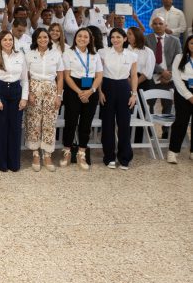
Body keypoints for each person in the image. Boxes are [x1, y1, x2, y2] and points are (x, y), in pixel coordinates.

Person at [61, 28, 103, 170]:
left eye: (86, 36)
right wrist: (80, 92)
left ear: (90, 39)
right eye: (80, 36)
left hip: (91, 88)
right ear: (75, 38)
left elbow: (99, 76)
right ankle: (67, 151)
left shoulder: (95, 54)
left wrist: (90, 91)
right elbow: (66, 76)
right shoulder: (68, 53)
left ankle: (81, 153)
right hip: (74, 88)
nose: (82, 39)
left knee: (86, 123)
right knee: (71, 121)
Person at [0, 30, 28, 172]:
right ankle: (0, 162)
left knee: (15, 129)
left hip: (16, 92)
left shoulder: (20, 55)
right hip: (0, 91)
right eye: (5, 40)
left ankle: (14, 162)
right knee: (0, 129)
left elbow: (25, 79)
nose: (8, 42)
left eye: (10, 39)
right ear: (0, 42)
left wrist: (24, 98)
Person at [98, 28, 138, 170]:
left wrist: (134, 94)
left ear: (124, 39)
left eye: (118, 37)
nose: (115, 39)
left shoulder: (132, 55)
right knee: (108, 125)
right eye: (113, 37)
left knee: (124, 124)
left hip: (123, 88)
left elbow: (133, 76)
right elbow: (99, 74)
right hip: (107, 86)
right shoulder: (103, 53)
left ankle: (125, 157)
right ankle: (109, 157)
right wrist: (100, 91)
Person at [24, 28, 63, 172]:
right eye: (39, 37)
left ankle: (47, 154)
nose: (43, 40)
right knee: (33, 121)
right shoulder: (29, 55)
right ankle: (35, 153)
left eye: (45, 37)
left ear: (49, 39)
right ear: (35, 39)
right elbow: (26, 76)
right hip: (34, 88)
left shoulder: (56, 54)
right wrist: (29, 93)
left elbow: (60, 77)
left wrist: (59, 96)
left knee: (49, 122)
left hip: (51, 89)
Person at [146, 16, 182, 114]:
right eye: (155, 23)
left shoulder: (175, 40)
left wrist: (168, 74)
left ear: (166, 25)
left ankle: (166, 129)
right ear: (152, 26)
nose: (158, 26)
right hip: (151, 76)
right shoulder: (146, 39)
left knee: (167, 105)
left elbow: (178, 59)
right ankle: (149, 128)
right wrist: (162, 72)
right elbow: (147, 59)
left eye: (160, 23)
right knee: (149, 105)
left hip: (169, 77)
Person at [169, 35, 193, 163]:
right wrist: (189, 96)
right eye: (192, 43)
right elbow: (177, 79)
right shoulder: (180, 57)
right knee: (181, 122)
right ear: (187, 45)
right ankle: (173, 152)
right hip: (182, 91)